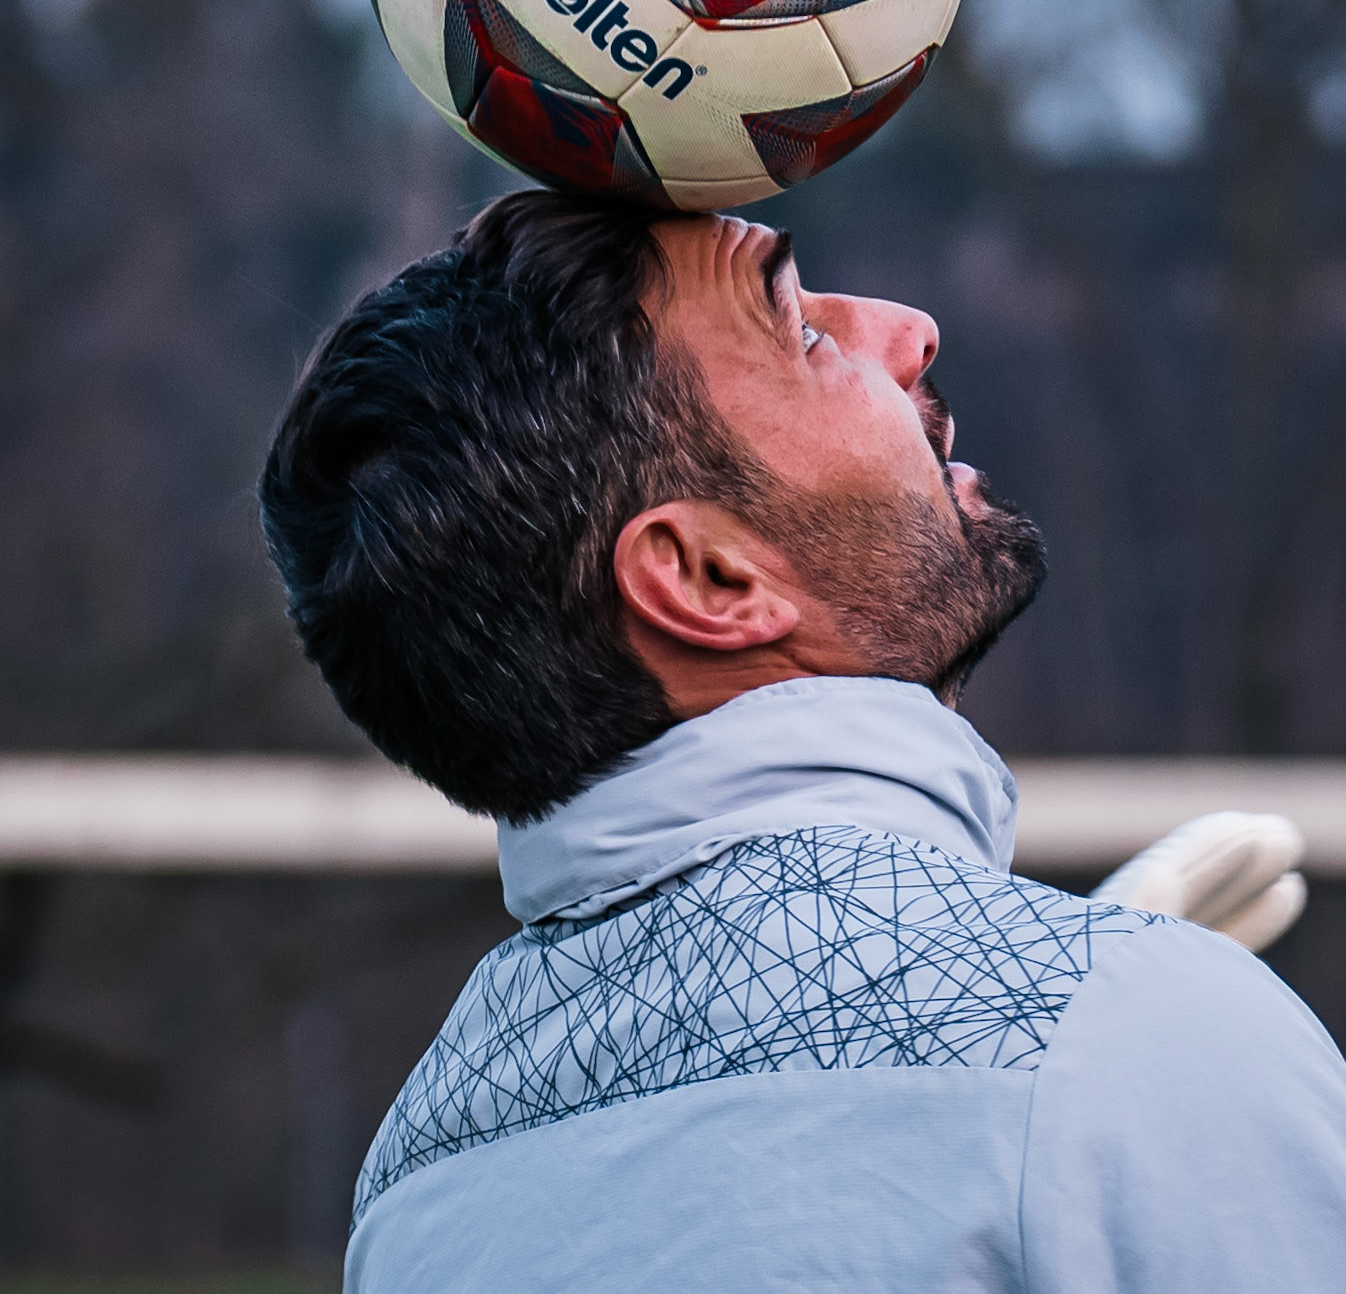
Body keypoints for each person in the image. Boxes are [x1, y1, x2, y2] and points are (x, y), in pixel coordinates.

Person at [260, 189, 1346, 1292]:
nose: (908, 330)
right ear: (708, 578)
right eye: (804, 334)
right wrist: (1105, 1063)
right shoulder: (1138, 1046)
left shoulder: (415, 1194)